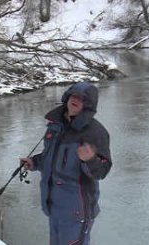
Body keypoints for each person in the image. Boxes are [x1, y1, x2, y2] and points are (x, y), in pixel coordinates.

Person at [21, 81, 112, 245]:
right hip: (54, 208)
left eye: (82, 99)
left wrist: (90, 159)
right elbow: (51, 157)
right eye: (74, 95)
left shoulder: (96, 132)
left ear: (88, 105)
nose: (76, 100)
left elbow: (102, 172)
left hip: (77, 213)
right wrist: (34, 163)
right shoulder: (56, 126)